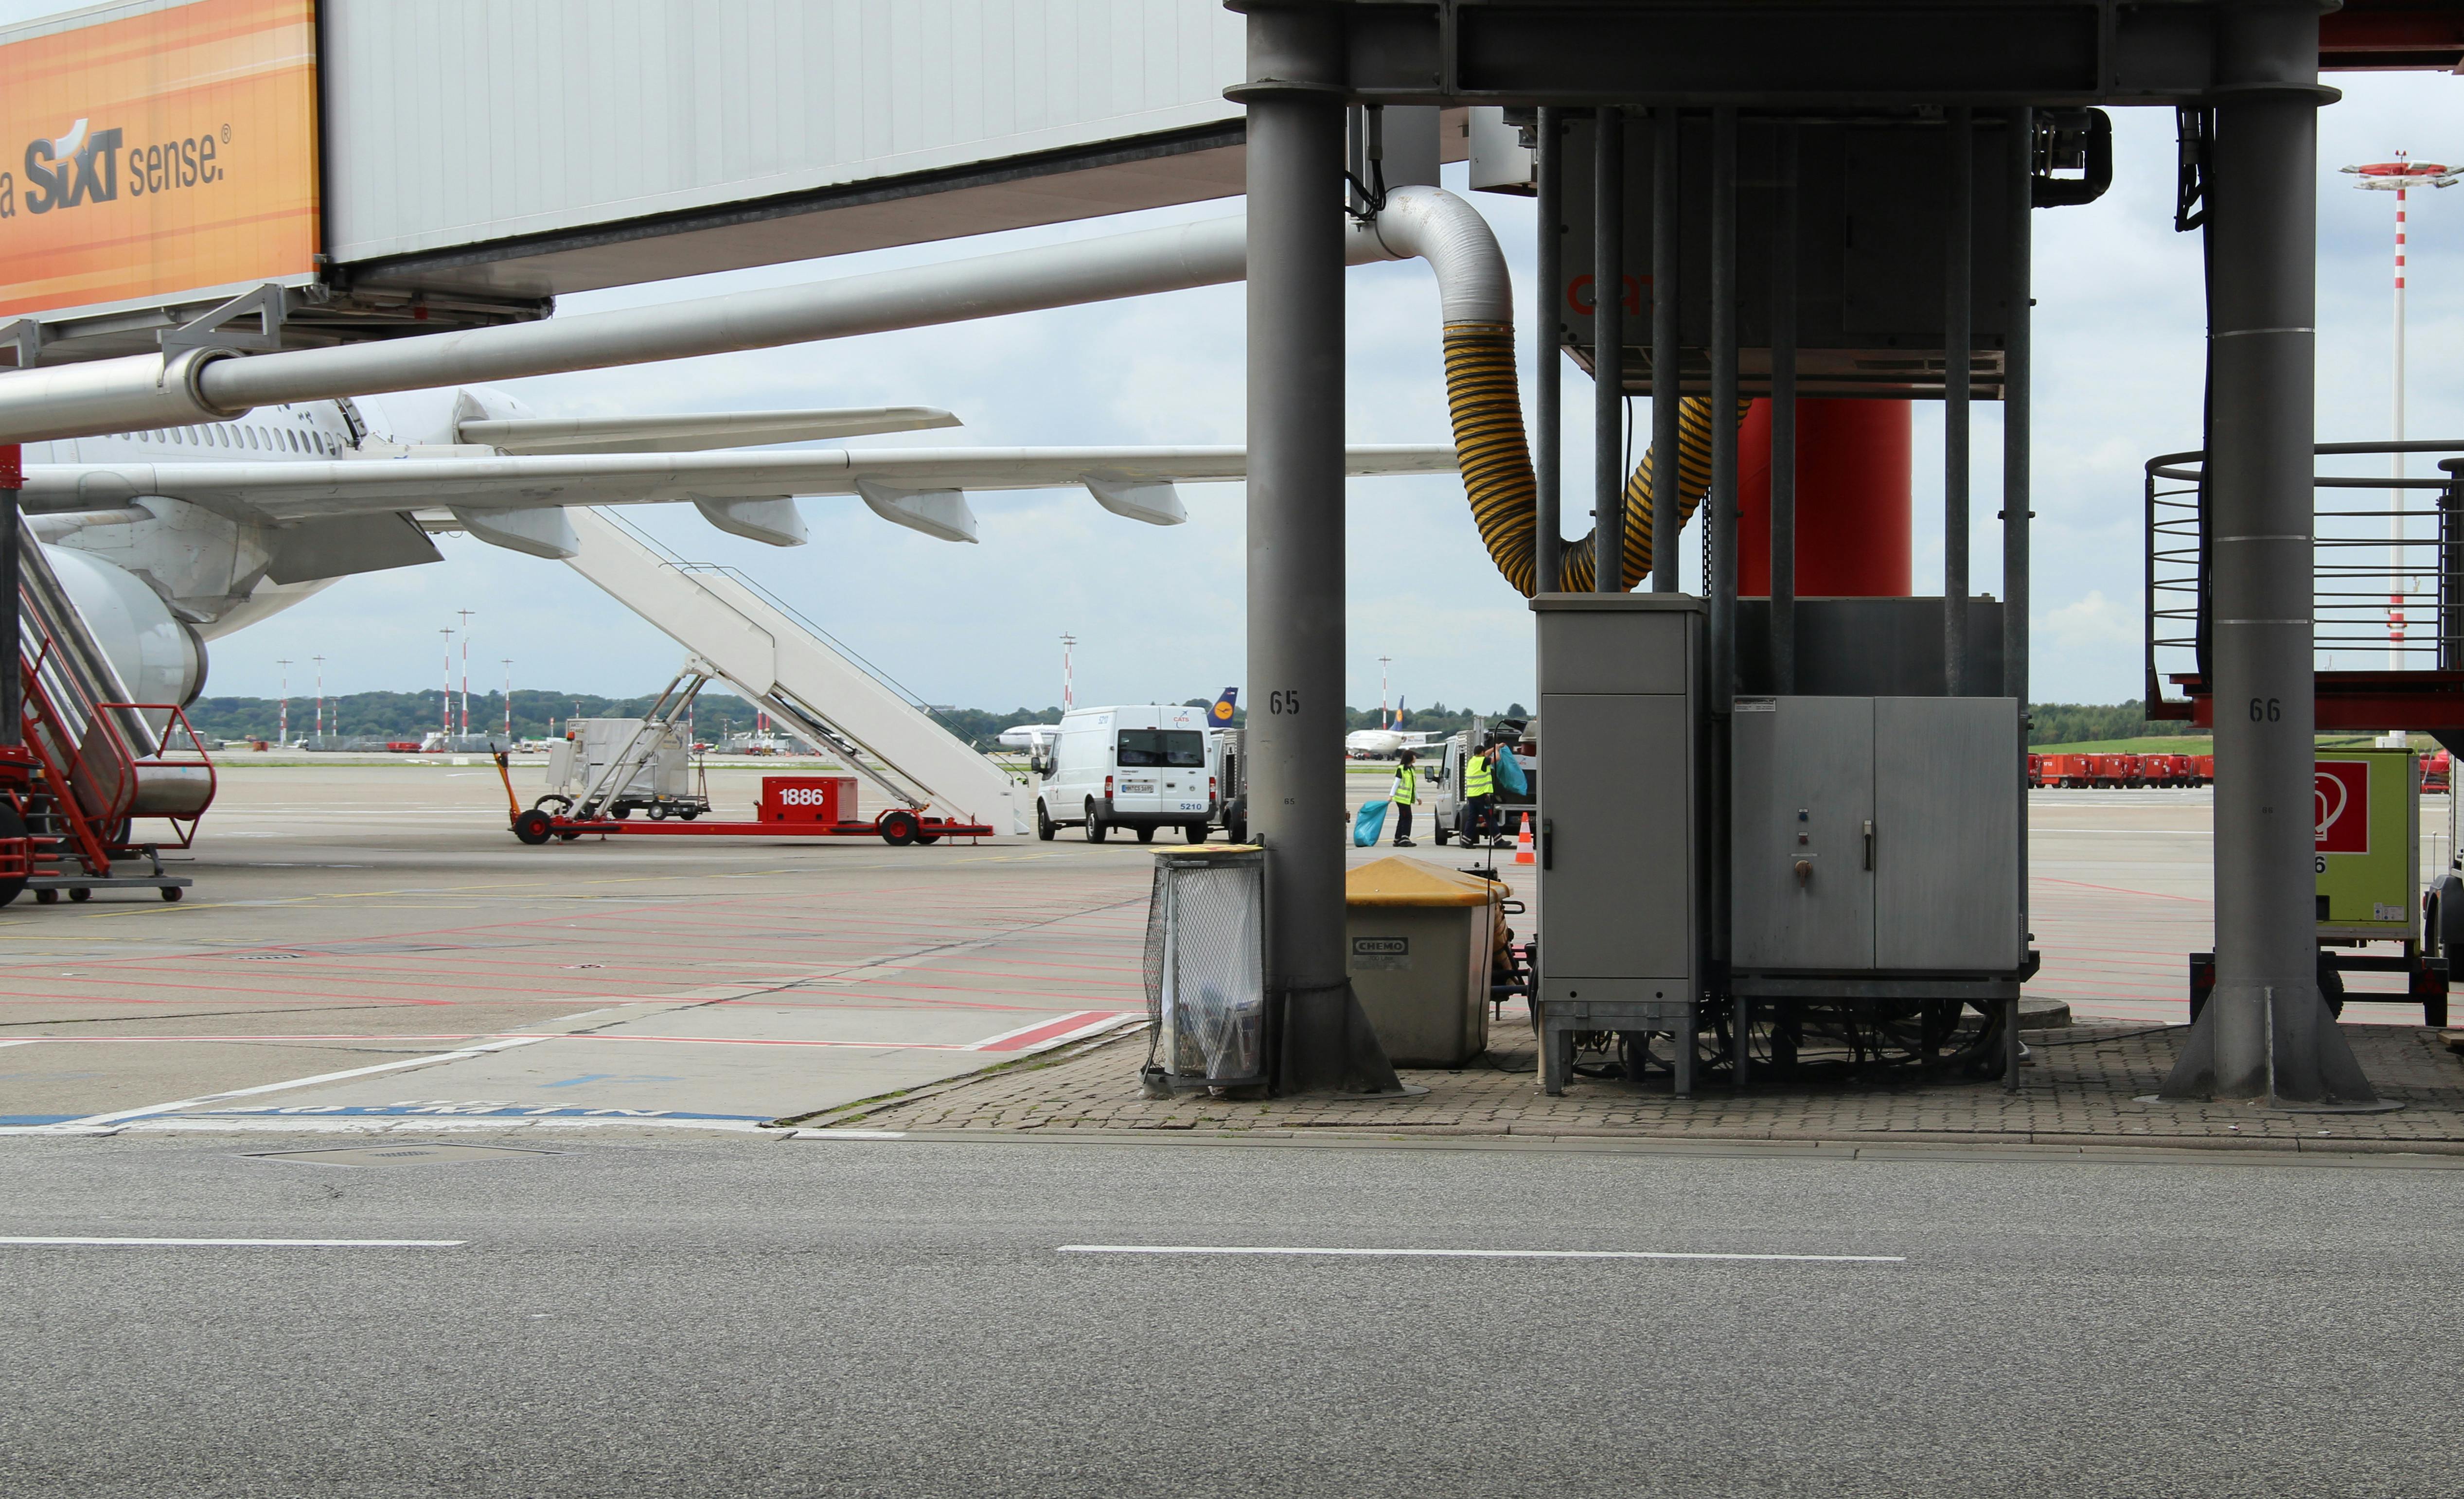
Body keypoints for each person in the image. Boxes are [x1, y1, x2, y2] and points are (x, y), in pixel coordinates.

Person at [1461, 739, 1496, 843]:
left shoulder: (1473, 761)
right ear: (1482, 753)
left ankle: (1466, 841)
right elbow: (1497, 758)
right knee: (1489, 818)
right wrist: (1497, 751)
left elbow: (1486, 755)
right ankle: (1499, 840)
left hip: (1472, 796)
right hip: (1481, 796)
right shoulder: (1483, 761)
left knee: (1472, 819)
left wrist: (1496, 748)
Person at [1390, 750, 1418, 846]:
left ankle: (1398, 839)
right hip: (1401, 799)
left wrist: (1418, 797)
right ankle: (1405, 838)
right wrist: (1391, 796)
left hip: (1407, 799)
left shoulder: (1411, 770)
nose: (1416, 758)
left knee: (1403, 818)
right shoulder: (1401, 769)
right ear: (1410, 758)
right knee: (1408, 818)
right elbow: (1396, 783)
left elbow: (1413, 786)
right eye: (1414, 756)